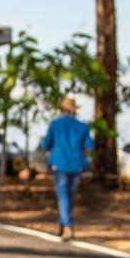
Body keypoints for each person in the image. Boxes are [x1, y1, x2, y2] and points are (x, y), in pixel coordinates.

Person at [42, 96, 94, 240]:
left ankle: (67, 226)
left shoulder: (55, 124)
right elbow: (89, 147)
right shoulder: (82, 126)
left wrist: (51, 150)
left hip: (60, 164)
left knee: (63, 196)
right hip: (77, 165)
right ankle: (62, 224)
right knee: (68, 197)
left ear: (62, 109)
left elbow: (46, 144)